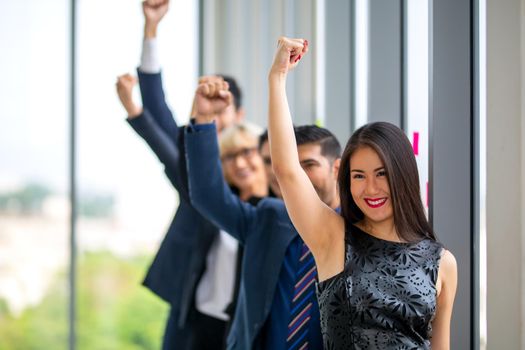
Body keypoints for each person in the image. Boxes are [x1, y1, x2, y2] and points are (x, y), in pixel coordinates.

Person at [267, 36, 458, 349]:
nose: (371, 188)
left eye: (381, 174)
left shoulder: (442, 262)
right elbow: (287, 171)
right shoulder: (332, 237)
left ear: (403, 175)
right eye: (359, 176)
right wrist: (277, 78)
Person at [114, 1, 246, 348]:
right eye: (208, 103)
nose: (215, 111)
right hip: (191, 307)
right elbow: (159, 110)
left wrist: (136, 113)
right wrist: (151, 29)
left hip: (239, 320)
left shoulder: (255, 167)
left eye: (223, 105)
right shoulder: (195, 159)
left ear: (241, 114)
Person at [185, 81, 342, 349]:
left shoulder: (359, 231)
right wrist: (203, 120)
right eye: (289, 167)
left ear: (336, 169)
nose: (296, 176)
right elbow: (208, 195)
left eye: (310, 165)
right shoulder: (268, 218)